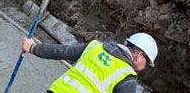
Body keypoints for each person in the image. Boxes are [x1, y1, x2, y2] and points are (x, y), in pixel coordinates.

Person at [21, 32, 157, 93]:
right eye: (147, 62)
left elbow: (61, 51)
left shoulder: (94, 47)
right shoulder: (126, 78)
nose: (144, 68)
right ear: (139, 56)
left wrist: (33, 47)